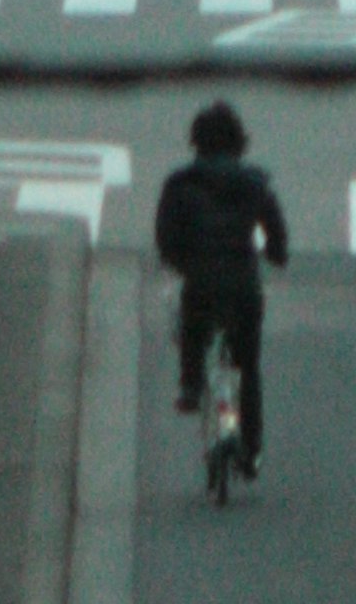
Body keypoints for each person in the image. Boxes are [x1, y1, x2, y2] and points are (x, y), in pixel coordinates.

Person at [154, 103, 287, 477]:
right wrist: (276, 253)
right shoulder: (255, 182)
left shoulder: (180, 183)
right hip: (243, 281)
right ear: (239, 142)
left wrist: (178, 260)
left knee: (194, 320)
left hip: (201, 277)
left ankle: (191, 384)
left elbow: (166, 235)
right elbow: (274, 226)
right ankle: (250, 446)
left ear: (195, 142)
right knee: (248, 365)